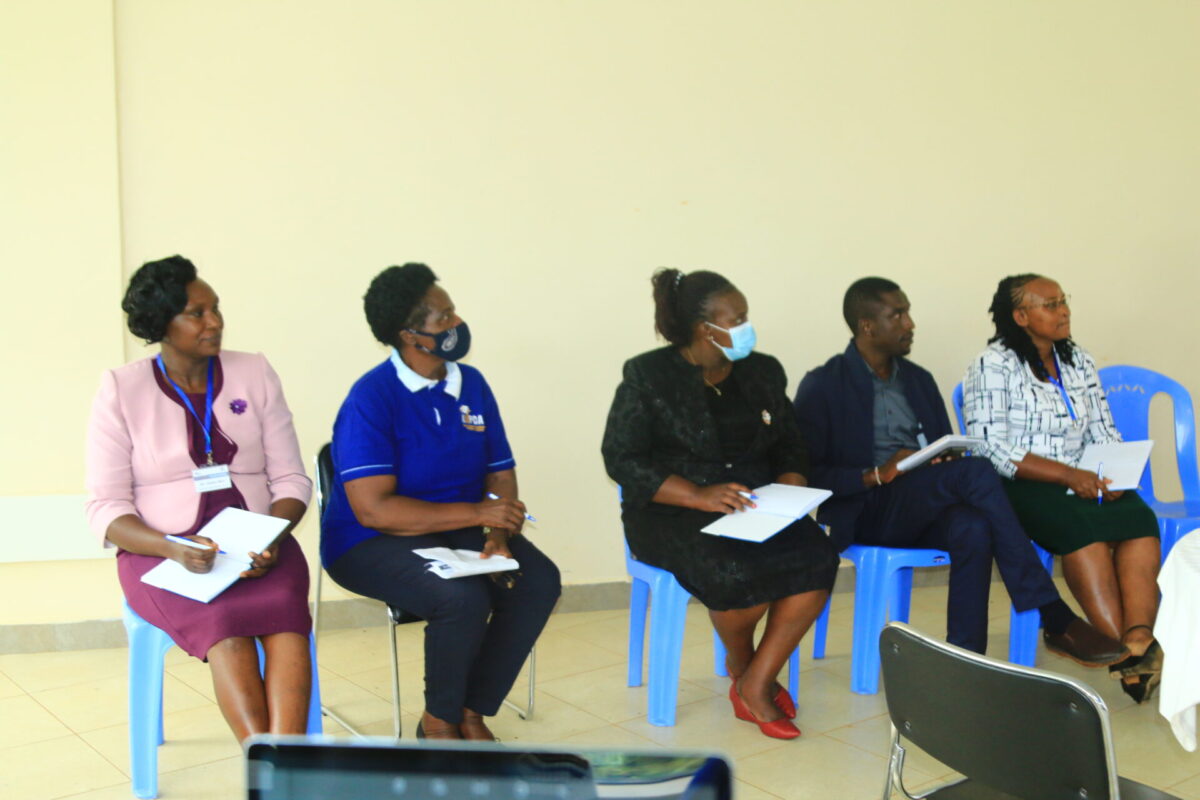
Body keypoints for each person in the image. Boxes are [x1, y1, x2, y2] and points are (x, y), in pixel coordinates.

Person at [793, 277, 1126, 665]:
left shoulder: (918, 380)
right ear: (867, 326)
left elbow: (943, 447)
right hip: (866, 512)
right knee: (978, 472)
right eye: (897, 315)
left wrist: (939, 460)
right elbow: (808, 476)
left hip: (919, 504)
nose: (910, 324)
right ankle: (1052, 613)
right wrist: (876, 474)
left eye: (908, 312)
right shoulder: (823, 385)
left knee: (973, 525)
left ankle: (965, 662)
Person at [321, 263, 561, 741]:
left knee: (535, 581)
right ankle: (438, 723)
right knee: (460, 596)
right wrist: (480, 514)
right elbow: (375, 509)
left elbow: (500, 471)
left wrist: (497, 535)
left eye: (453, 312)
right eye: (443, 317)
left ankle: (473, 709)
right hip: (368, 540)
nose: (456, 324)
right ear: (409, 335)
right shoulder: (371, 398)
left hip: (456, 525)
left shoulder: (470, 383)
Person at [602, 268, 838, 741]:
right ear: (704, 328)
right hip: (670, 511)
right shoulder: (648, 375)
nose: (748, 326)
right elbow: (622, 459)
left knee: (818, 558)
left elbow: (790, 441)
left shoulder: (763, 370)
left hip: (754, 504)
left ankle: (753, 682)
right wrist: (697, 495)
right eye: (738, 318)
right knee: (734, 573)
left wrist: (790, 491)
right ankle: (743, 664)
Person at [85, 255, 314, 740]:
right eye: (197, 313)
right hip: (162, 553)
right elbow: (106, 507)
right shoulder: (121, 389)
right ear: (161, 324)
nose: (215, 322)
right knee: (225, 626)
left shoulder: (254, 372)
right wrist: (172, 547)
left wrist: (273, 536)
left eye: (216, 308)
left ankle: (288, 766)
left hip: (260, 545)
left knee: (286, 619)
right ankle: (266, 767)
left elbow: (292, 479)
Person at [962, 274, 1163, 703]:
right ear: (1020, 316)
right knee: (1079, 527)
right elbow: (991, 447)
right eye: (1049, 305)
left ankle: (1139, 639)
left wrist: (1111, 475)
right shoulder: (992, 364)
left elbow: (1103, 429)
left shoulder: (1079, 361)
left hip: (1085, 477)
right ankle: (1121, 651)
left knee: (1137, 517)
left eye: (1063, 301)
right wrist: (1067, 476)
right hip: (1020, 482)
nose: (1063, 311)